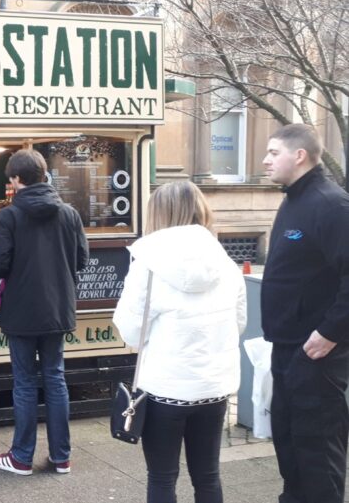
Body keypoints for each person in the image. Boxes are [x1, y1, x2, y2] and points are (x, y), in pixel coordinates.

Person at [113, 181, 246, 503]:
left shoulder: (148, 265)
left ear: (157, 214)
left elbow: (130, 333)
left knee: (161, 478)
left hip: (164, 391)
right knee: (208, 476)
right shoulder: (226, 263)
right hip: (213, 388)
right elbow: (238, 324)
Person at [260, 123, 349, 503]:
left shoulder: (331, 204)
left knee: (317, 454)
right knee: (290, 446)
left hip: (317, 355)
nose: (265, 160)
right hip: (286, 350)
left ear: (299, 156)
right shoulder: (292, 199)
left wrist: (330, 332)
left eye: (273, 152)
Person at [0, 149, 87, 476]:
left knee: (25, 382)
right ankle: (61, 457)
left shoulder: (8, 217)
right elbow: (81, 261)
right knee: (56, 378)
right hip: (58, 308)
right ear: (44, 175)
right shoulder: (70, 214)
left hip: (22, 311)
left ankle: (21, 457)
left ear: (16, 180)